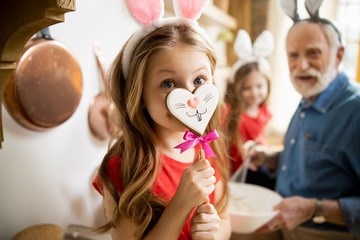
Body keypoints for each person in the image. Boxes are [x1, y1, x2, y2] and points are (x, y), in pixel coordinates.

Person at [92, 1, 231, 239]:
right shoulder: (124, 166)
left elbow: (225, 217)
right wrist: (180, 205)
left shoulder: (209, 146)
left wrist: (215, 233)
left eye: (199, 81)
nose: (190, 99)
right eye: (168, 84)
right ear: (140, 94)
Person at [251, 1, 360, 239]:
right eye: (293, 55)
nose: (301, 65)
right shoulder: (309, 95)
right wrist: (270, 159)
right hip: (284, 222)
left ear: (338, 55)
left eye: (313, 53)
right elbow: (319, 163)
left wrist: (314, 208)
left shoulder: (355, 109)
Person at [222, 29, 276, 190]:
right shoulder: (229, 112)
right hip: (233, 175)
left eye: (259, 86)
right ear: (236, 88)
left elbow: (263, 139)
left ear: (267, 84)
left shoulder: (265, 112)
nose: (254, 93)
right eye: (246, 88)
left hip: (256, 168)